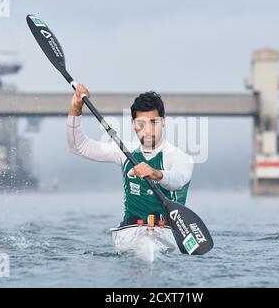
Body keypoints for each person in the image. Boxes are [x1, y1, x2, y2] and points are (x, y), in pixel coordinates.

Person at [67, 84, 193, 227]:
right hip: (132, 229)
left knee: (158, 218)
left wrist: (155, 173)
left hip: (168, 229)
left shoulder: (180, 157)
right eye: (141, 123)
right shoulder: (125, 151)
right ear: (133, 124)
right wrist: (75, 108)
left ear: (163, 122)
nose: (148, 130)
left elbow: (178, 180)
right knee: (132, 220)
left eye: (154, 122)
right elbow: (79, 146)